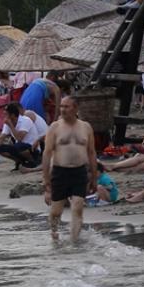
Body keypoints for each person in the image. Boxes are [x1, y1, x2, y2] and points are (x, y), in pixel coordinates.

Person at [41, 96, 97, 243]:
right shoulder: (55, 127)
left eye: (67, 107)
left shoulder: (86, 127)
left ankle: (74, 241)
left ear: (76, 108)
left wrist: (94, 177)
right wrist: (46, 179)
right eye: (61, 107)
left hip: (79, 171)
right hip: (60, 172)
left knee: (78, 206)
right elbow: (47, 153)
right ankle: (54, 234)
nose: (63, 110)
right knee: (56, 212)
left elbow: (91, 152)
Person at [0, 103, 43, 169]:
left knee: (18, 146)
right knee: (0, 148)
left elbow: (19, 138)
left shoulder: (25, 120)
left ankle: (33, 161)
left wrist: (11, 125)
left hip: (32, 148)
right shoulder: (8, 122)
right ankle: (20, 161)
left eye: (6, 114)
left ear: (13, 115)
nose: (4, 116)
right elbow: (2, 137)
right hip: (19, 147)